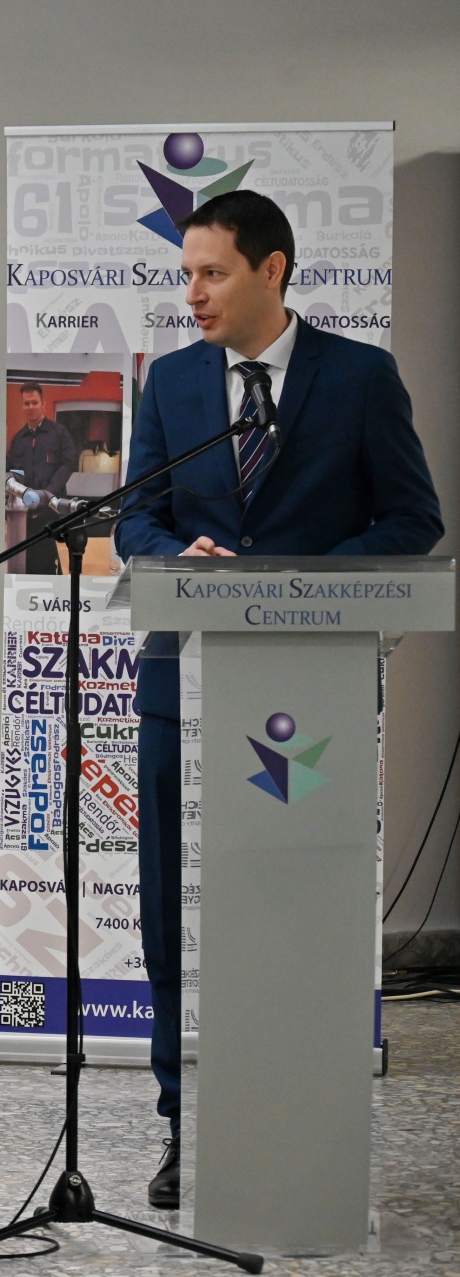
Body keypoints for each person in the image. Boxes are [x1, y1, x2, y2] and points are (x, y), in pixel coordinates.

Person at [115, 190, 443, 1208]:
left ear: (273, 269)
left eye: (212, 272)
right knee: (171, 910)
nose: (194, 293)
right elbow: (136, 517)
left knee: (292, 908)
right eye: (186, 275)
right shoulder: (172, 381)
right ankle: (184, 1121)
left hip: (311, 694)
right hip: (181, 681)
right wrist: (180, 555)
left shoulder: (360, 377)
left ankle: (300, 1120)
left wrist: (300, 582)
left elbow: (413, 519)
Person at [6, 381, 78, 574]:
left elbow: (69, 463)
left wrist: (46, 494)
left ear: (43, 404)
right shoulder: (18, 439)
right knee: (25, 566)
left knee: (49, 567)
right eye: (26, 403)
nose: (30, 407)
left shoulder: (59, 433)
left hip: (51, 515)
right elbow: (10, 472)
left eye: (34, 402)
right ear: (22, 406)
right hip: (24, 520)